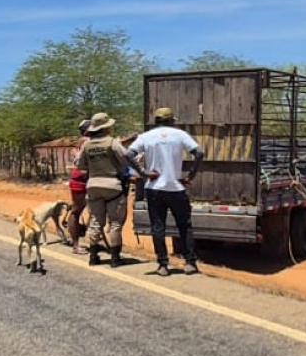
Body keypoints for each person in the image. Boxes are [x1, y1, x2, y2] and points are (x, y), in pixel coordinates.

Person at [126, 107, 205, 276]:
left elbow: (128, 154)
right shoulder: (180, 135)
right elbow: (199, 153)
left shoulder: (146, 137)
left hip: (154, 189)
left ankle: (162, 265)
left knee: (157, 226)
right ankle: (190, 262)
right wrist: (190, 175)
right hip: (176, 188)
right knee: (184, 226)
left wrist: (143, 173)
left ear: (156, 121)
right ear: (171, 120)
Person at [76, 112, 151, 267]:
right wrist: (141, 171)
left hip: (93, 186)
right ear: (106, 127)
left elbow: (79, 164)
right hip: (113, 186)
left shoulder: (87, 145)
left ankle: (93, 256)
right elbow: (127, 157)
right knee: (115, 222)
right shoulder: (112, 142)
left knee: (96, 221)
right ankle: (115, 258)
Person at [67, 119, 92, 254]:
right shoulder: (85, 141)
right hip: (81, 179)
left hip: (88, 179)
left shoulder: (87, 141)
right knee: (76, 211)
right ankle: (76, 245)